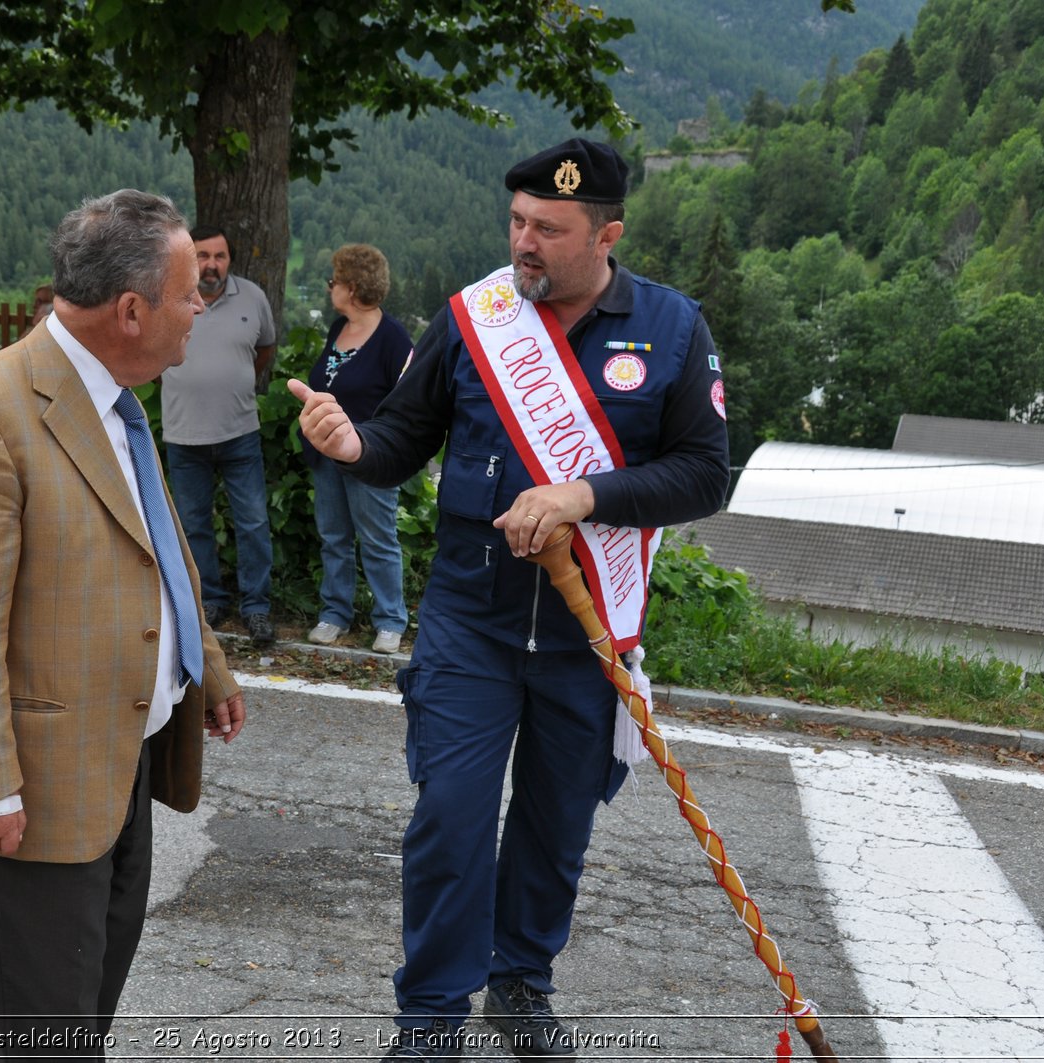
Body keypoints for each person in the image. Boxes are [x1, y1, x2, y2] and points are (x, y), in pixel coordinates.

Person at [291, 138, 730, 1060]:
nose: (524, 244)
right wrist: (350, 447)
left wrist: (586, 494)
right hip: (471, 621)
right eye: (518, 222)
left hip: (585, 631)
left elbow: (702, 476)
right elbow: (403, 439)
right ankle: (432, 1017)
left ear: (606, 233)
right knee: (450, 816)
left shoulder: (674, 327)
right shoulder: (475, 316)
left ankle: (521, 979)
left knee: (554, 822)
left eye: (550, 230)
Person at [0, 189, 246, 1059]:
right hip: (31, 793)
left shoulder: (119, 397)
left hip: (119, 765)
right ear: (131, 311)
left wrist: (201, 661)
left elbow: (149, 544)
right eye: (187, 293)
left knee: (82, 1019)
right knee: (43, 1039)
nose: (201, 305)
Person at [158, 225, 279, 647]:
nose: (212, 265)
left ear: (230, 259)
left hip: (239, 431)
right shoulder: (168, 295)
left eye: (219, 256)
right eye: (203, 256)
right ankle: (207, 599)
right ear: (192, 260)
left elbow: (264, 351)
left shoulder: (253, 298)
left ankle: (257, 607)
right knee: (193, 524)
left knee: (254, 522)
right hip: (183, 434)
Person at [303, 244, 413, 654]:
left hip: (371, 457)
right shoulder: (338, 329)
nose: (330, 289)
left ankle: (390, 620)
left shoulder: (392, 338)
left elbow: (405, 400)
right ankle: (335, 614)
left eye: (334, 281)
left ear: (352, 287)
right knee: (334, 536)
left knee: (378, 539)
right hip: (326, 453)